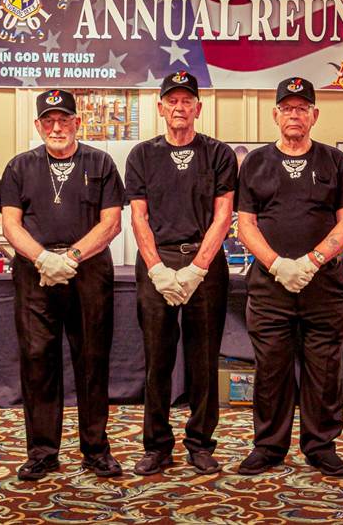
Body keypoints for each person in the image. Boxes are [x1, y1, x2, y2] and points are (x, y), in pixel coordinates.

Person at [0, 89, 125, 482]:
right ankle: (42, 452)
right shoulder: (20, 167)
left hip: (88, 272)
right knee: (38, 362)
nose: (57, 127)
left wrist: (69, 258)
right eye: (49, 121)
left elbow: (111, 223)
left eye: (64, 120)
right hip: (35, 275)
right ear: (37, 125)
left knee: (92, 361)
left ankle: (96, 450)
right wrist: (43, 259)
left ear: (77, 122)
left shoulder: (100, 162)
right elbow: (10, 223)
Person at [235, 77, 343, 477]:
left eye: (302, 108)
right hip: (271, 289)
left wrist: (312, 261)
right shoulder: (255, 163)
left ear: (314, 116)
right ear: (276, 115)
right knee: (271, 370)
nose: (294, 115)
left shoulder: (335, 163)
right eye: (287, 108)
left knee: (325, 372)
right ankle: (269, 446)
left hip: (324, 287)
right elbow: (246, 225)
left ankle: (321, 446)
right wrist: (278, 264)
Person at [124, 70, 237, 476]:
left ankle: (201, 443)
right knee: (157, 359)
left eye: (187, 101)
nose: (179, 107)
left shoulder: (219, 154)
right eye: (172, 100)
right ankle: (156, 446)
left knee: (203, 358)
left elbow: (224, 214)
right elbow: (139, 217)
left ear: (198, 108)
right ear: (160, 108)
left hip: (204, 265)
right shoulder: (141, 155)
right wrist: (156, 269)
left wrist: (198, 268)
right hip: (157, 264)